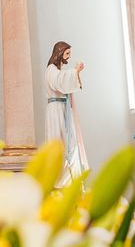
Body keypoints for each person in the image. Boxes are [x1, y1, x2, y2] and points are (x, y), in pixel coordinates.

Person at [45, 41, 89, 186]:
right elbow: (59, 82)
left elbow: (67, 82)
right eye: (67, 53)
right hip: (56, 110)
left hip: (63, 108)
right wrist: (75, 71)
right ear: (59, 52)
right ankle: (61, 182)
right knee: (60, 142)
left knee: (71, 142)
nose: (69, 57)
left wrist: (76, 72)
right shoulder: (51, 69)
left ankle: (72, 179)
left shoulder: (57, 70)